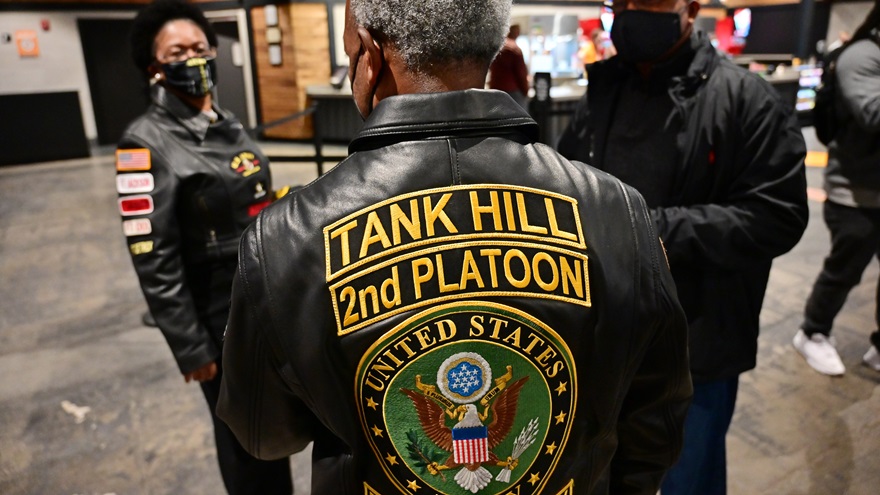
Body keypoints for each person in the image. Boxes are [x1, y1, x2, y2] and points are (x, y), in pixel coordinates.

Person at [217, 0, 692, 494]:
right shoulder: (617, 210)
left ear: (370, 54)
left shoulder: (287, 236)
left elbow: (264, 433)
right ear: (489, 46)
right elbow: (656, 420)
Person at [557, 0, 808, 493]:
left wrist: (651, 231)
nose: (633, 11)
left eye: (648, 2)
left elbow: (777, 215)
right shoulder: (604, 90)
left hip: (698, 347)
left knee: (686, 478)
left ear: (690, 9)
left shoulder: (745, 98)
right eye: (622, 3)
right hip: (608, 339)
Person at [115, 1, 292, 493]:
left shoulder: (226, 121)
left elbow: (247, 199)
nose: (193, 57)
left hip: (260, 298)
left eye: (200, 47)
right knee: (241, 435)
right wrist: (189, 345)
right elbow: (152, 254)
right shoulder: (143, 143)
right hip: (215, 315)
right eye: (178, 51)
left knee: (269, 426)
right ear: (155, 68)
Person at [795, 2, 880, 376]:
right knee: (845, 270)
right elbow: (873, 114)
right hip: (854, 194)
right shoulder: (861, 56)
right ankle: (812, 332)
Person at [488, 24, 530, 109]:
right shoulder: (515, 49)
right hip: (512, 92)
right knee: (519, 119)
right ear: (517, 33)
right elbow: (521, 74)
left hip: (495, 90)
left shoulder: (496, 47)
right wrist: (526, 91)